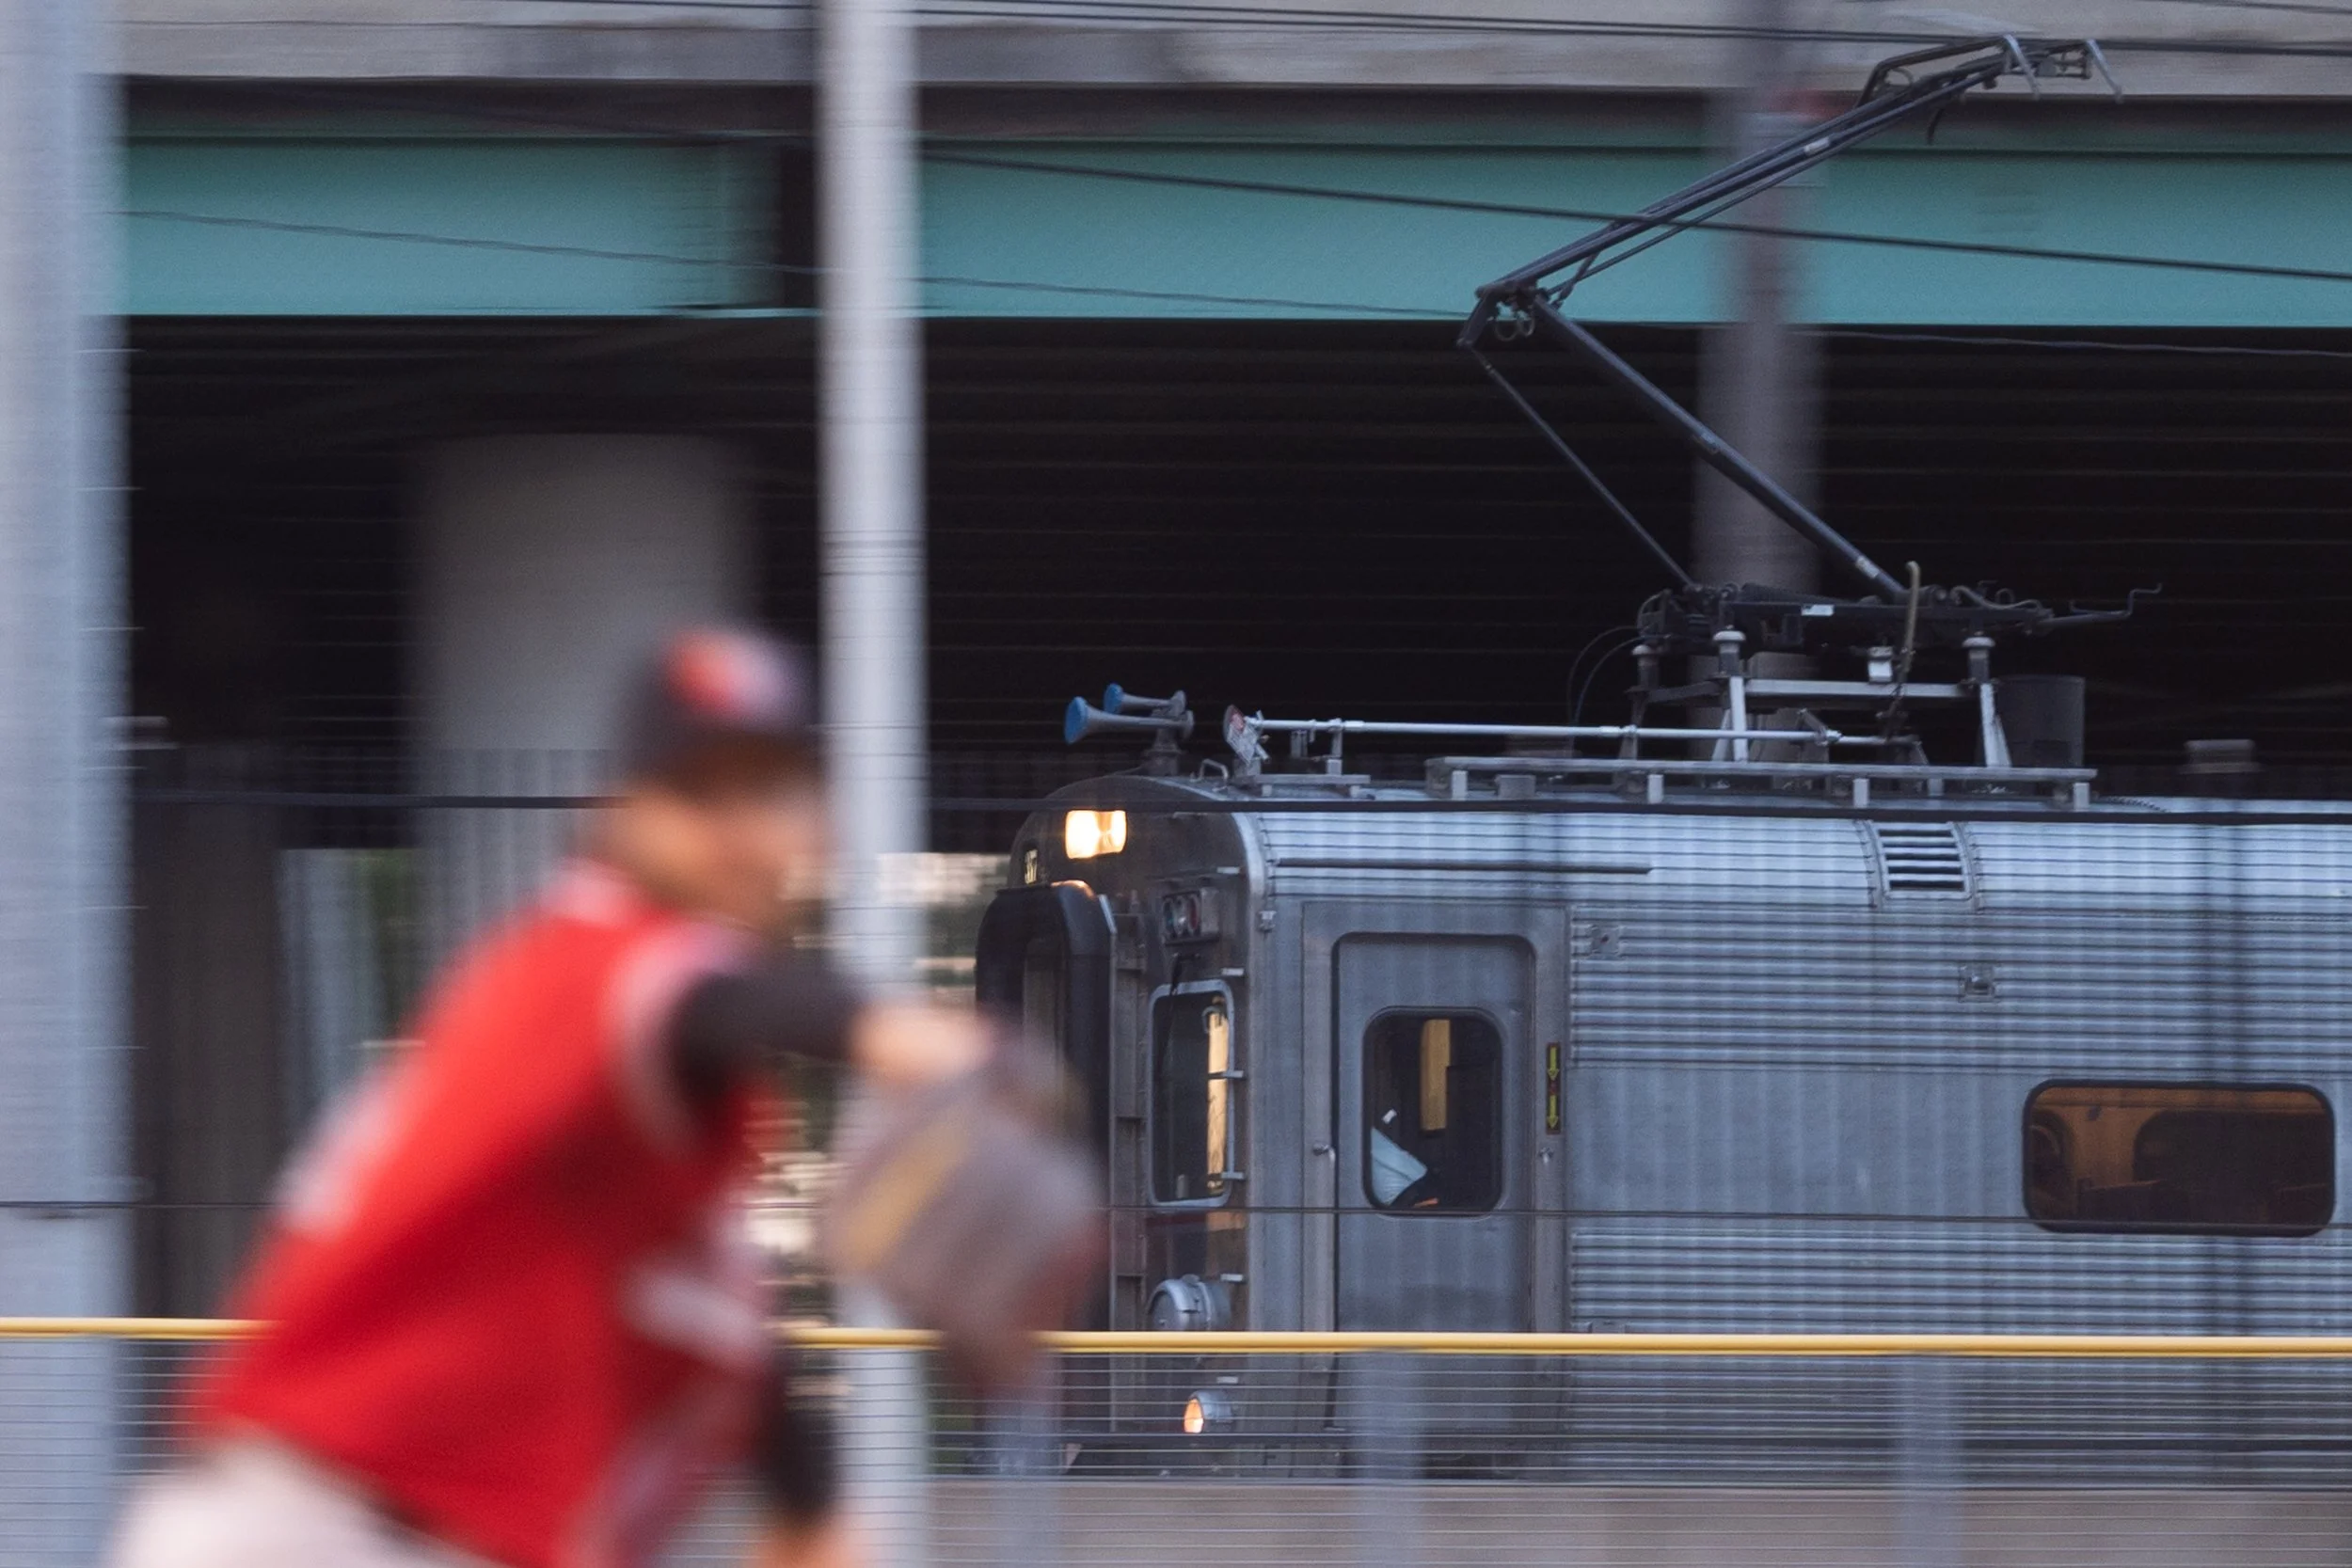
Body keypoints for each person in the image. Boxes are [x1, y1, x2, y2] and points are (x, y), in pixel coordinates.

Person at [108, 626, 994, 1568]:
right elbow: (711, 998)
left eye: (769, 792)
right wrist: (878, 1027)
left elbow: (739, 1325)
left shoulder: (650, 1112)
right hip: (318, 1526)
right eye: (698, 793)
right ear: (619, 813)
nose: (739, 830)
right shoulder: (582, 960)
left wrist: (809, 1512)